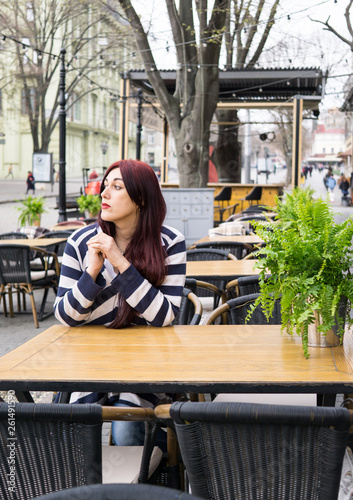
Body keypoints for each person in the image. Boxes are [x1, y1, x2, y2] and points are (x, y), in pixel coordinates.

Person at [54, 159, 187, 447]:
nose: (104, 193)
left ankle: (143, 485)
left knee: (127, 431)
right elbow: (65, 316)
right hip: (89, 363)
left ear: (141, 198)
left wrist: (119, 262)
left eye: (117, 187)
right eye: (105, 186)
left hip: (145, 364)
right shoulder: (81, 242)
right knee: (72, 425)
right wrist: (91, 272)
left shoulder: (170, 243)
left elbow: (164, 316)